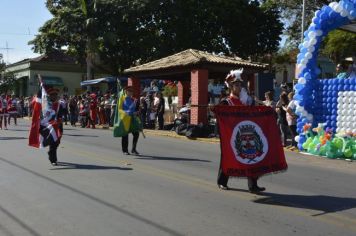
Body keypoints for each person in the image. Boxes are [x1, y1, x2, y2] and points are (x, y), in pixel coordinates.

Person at [217, 69, 265, 193]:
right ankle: (222, 181)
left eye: (240, 85)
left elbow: (255, 114)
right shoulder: (226, 102)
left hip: (246, 133)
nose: (239, 87)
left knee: (252, 157)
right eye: (236, 85)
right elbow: (221, 118)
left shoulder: (247, 101)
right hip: (230, 134)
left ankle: (253, 185)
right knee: (227, 157)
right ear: (231, 87)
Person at [121, 86, 140, 155]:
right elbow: (123, 109)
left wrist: (137, 111)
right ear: (126, 92)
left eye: (131, 91)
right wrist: (131, 111)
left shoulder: (132, 99)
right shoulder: (123, 99)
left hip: (132, 119)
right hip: (125, 119)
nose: (130, 92)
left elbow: (133, 109)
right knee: (125, 135)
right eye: (129, 91)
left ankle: (133, 149)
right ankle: (125, 150)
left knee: (136, 134)